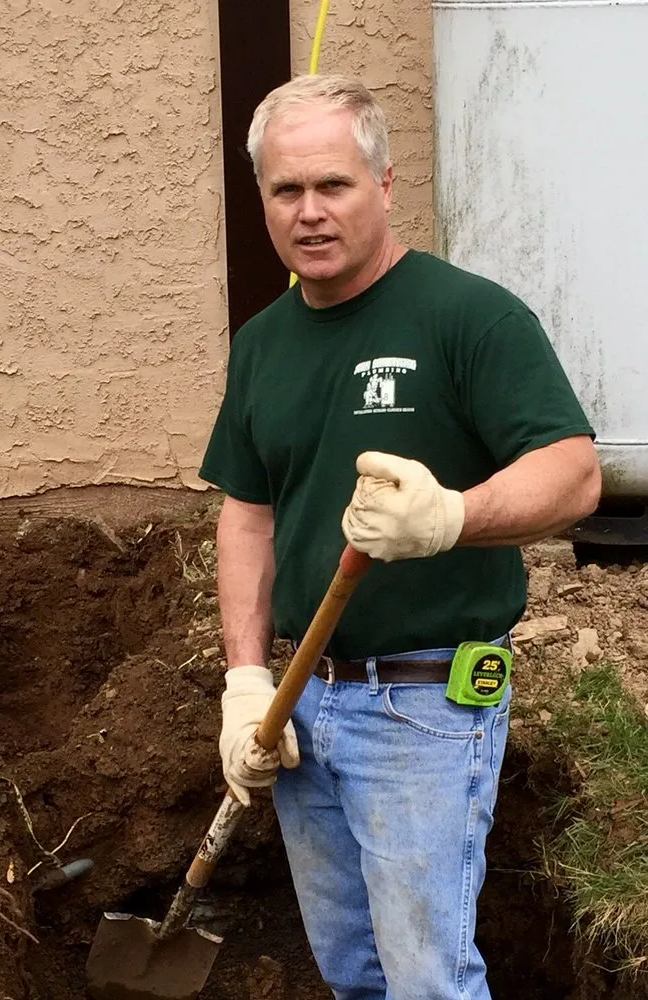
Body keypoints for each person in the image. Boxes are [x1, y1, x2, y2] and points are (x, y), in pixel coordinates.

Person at [198, 74, 600, 1000]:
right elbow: (248, 515)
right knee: (353, 971)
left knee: (428, 980)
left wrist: (452, 516)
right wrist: (244, 681)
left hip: (424, 704)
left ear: (383, 183)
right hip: (302, 699)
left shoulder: (467, 316)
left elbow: (573, 472)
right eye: (285, 191)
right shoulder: (261, 343)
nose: (308, 212)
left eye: (332, 185)